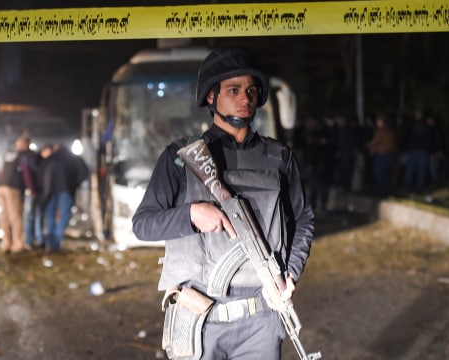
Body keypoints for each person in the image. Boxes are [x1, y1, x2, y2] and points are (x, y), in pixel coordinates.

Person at [132, 47, 315, 360]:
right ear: (211, 97)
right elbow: (143, 224)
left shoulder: (280, 158)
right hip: (200, 320)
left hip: (261, 320)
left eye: (251, 91)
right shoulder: (181, 157)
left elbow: (303, 221)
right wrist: (191, 214)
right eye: (233, 90)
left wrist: (291, 274)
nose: (245, 99)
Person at [39, 143, 89, 252]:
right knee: (64, 216)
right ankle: (56, 241)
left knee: (50, 216)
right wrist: (75, 184)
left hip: (50, 191)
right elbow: (84, 173)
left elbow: (41, 174)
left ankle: (51, 243)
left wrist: (42, 190)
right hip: (67, 190)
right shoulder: (73, 158)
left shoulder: (50, 159)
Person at [0, 136, 36, 253]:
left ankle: (6, 243)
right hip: (13, 188)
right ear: (25, 144)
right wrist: (31, 189)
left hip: (1, 187)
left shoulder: (8, 154)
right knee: (16, 216)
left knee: (4, 216)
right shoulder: (23, 156)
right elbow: (26, 173)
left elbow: (1, 171)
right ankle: (18, 244)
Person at [368, 114, 396, 197]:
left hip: (382, 153)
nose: (377, 123)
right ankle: (387, 189)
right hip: (389, 154)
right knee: (387, 172)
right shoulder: (391, 131)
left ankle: (382, 189)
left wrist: (369, 144)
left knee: (379, 171)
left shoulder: (380, 131)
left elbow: (375, 142)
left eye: (379, 121)